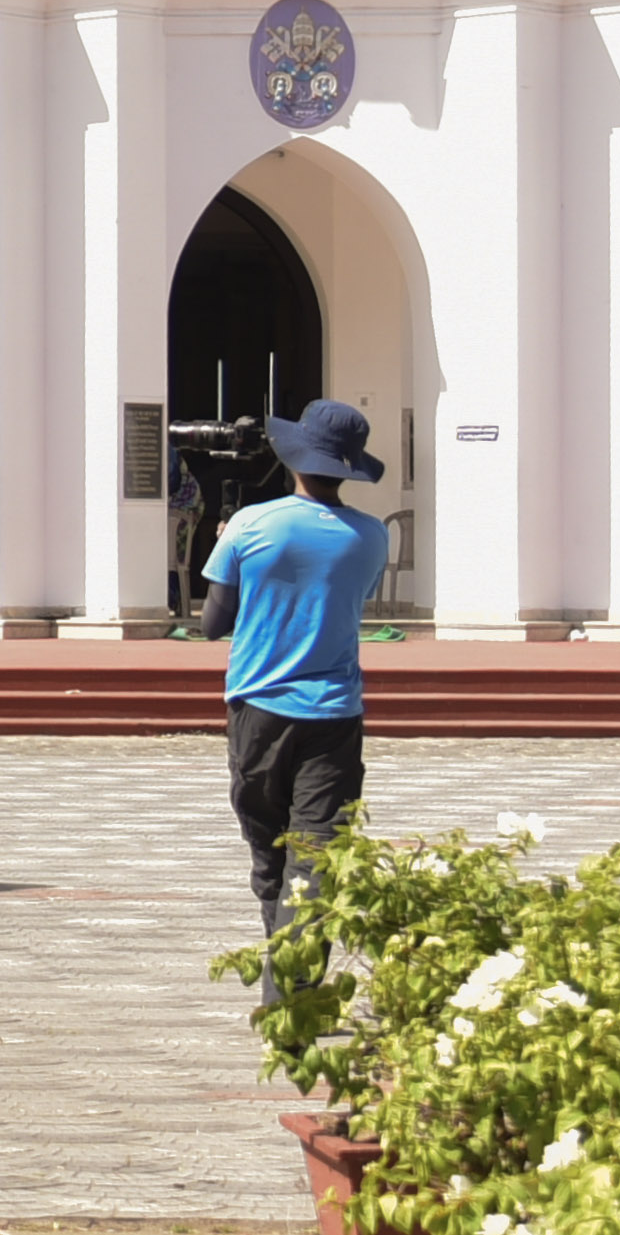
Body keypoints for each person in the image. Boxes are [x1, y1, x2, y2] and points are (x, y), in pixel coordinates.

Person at [199, 398, 389, 932]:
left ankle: (282, 975)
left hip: (259, 706)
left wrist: (226, 554)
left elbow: (214, 623)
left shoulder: (250, 523)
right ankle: (295, 994)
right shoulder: (374, 535)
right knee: (316, 860)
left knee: (270, 856)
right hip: (334, 712)